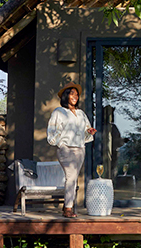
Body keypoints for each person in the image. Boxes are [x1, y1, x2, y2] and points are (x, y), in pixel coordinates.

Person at [47, 82, 97, 218]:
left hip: (80, 149)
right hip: (66, 149)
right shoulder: (59, 112)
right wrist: (60, 143)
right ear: (66, 96)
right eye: (72, 93)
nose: (75, 96)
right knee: (71, 177)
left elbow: (86, 130)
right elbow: (51, 131)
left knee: (73, 178)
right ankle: (68, 208)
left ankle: (66, 206)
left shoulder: (81, 114)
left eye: (77, 94)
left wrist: (90, 132)